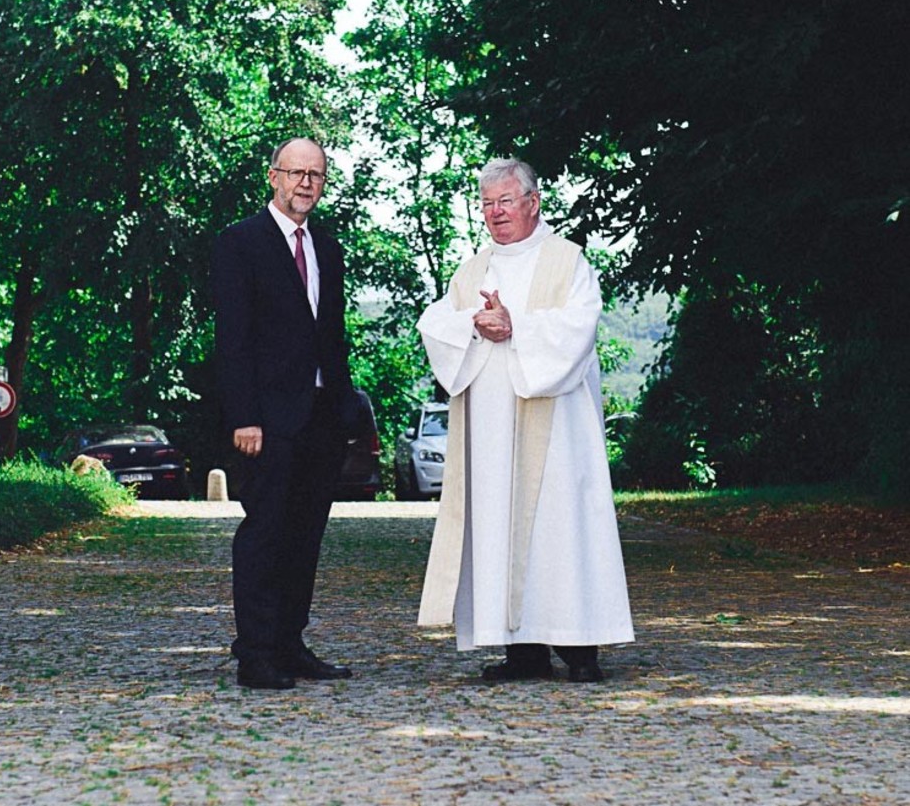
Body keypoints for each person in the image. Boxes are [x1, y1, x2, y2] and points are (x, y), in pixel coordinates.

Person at [415, 157, 634, 682]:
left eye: (506, 201)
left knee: (561, 528)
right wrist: (475, 323)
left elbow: (580, 327)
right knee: (499, 528)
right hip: (491, 434)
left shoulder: (567, 262)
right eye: (487, 204)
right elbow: (437, 323)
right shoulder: (472, 271)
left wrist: (518, 328)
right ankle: (522, 650)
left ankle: (580, 648)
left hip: (558, 430)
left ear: (533, 203)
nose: (495, 212)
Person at [213, 137, 367, 690]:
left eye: (316, 175)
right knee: (265, 534)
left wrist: (346, 409)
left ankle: (289, 644)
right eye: (296, 172)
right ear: (273, 176)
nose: (306, 183)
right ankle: (256, 654)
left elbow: (332, 335)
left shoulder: (327, 247)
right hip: (266, 420)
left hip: (322, 418)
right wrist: (244, 416)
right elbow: (233, 338)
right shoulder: (240, 243)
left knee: (306, 536)